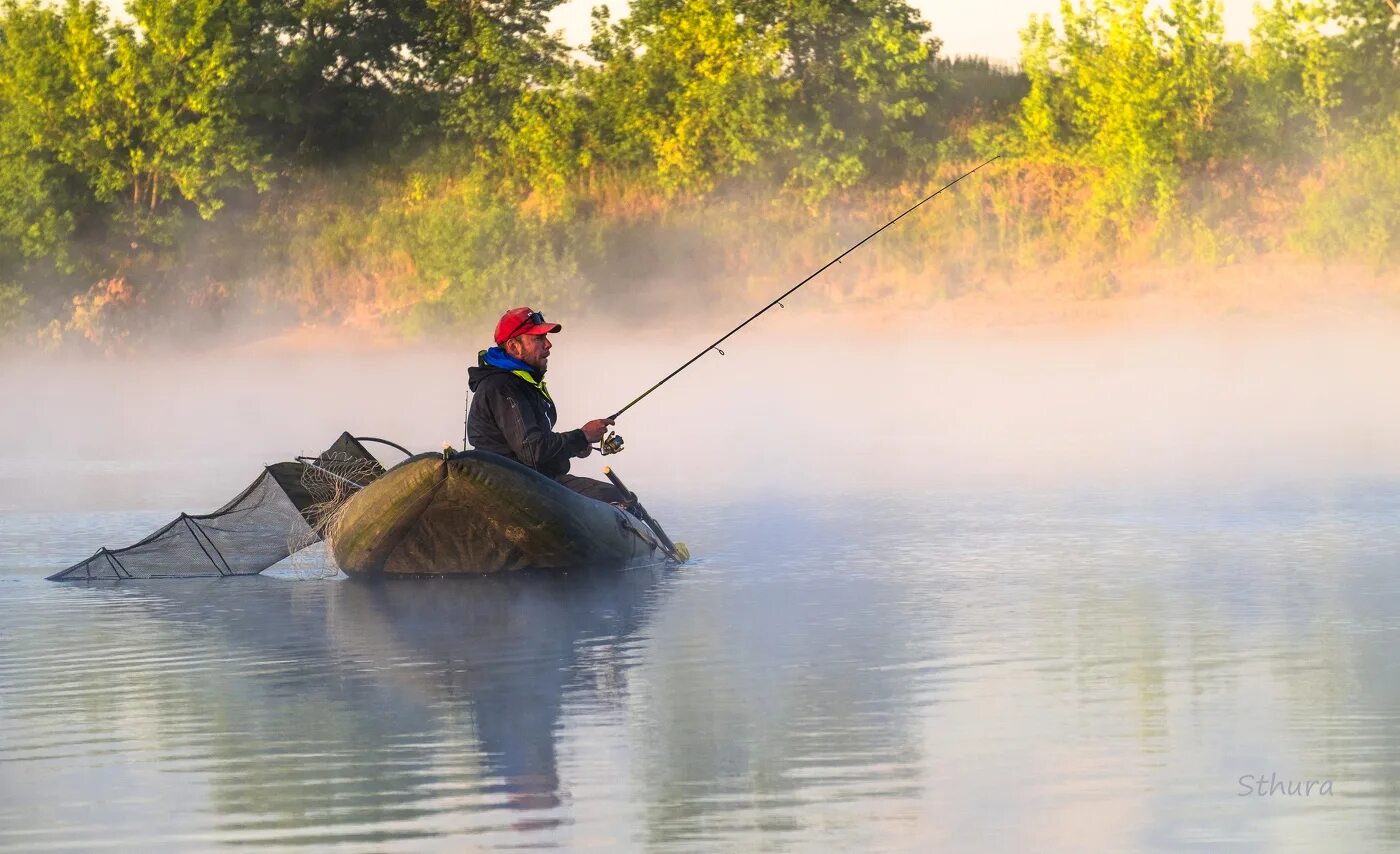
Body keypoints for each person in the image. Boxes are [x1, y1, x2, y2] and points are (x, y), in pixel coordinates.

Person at [466, 307, 626, 504]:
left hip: (528, 480)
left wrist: (579, 444)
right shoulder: (503, 386)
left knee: (615, 495)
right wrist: (582, 435)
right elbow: (533, 452)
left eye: (546, 337)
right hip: (512, 488)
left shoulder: (519, 381)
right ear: (514, 346)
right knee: (616, 497)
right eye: (538, 339)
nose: (548, 344)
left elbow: (532, 446)